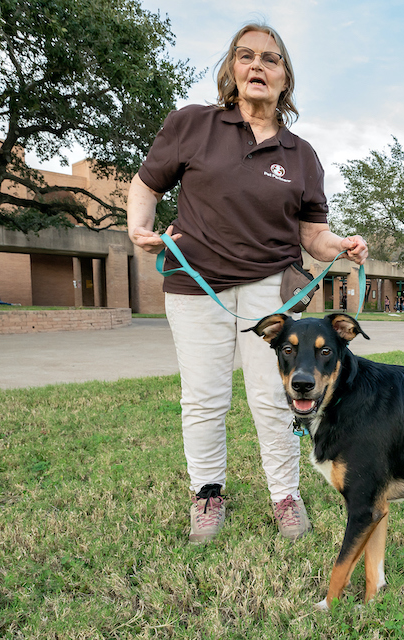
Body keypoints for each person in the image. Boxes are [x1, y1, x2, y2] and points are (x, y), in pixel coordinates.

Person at [126, 23, 368, 545]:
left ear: (285, 79)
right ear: (232, 71)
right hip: (197, 287)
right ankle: (207, 494)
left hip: (271, 291)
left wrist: (341, 245)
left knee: (275, 397)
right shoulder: (193, 125)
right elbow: (145, 184)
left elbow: (312, 234)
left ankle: (285, 495)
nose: (257, 66)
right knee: (204, 397)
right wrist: (137, 228)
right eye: (246, 56)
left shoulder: (301, 153)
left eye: (270, 59)